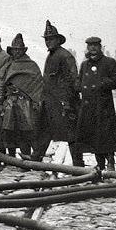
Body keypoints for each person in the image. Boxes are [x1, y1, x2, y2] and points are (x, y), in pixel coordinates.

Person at [32, 21, 79, 161]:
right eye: (46, 39)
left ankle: (78, 162)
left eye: (51, 39)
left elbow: (73, 80)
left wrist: (68, 102)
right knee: (44, 131)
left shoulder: (65, 56)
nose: (48, 42)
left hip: (63, 103)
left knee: (71, 133)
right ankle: (36, 158)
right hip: (49, 102)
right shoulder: (51, 55)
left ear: (58, 40)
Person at [77, 37, 116, 173]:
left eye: (95, 46)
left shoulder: (109, 62)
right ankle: (100, 164)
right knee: (93, 135)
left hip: (103, 105)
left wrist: (103, 83)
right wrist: (78, 87)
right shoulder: (84, 65)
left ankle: (110, 161)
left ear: (100, 47)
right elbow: (80, 81)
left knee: (106, 134)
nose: (92, 48)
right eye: (90, 46)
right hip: (88, 106)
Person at [0, 33, 42, 159]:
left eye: (19, 50)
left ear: (23, 50)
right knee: (8, 130)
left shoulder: (31, 65)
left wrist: (35, 102)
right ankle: (11, 158)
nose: (16, 52)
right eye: (14, 50)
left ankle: (27, 156)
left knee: (26, 131)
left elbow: (37, 84)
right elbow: (1, 84)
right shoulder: (8, 65)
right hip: (10, 102)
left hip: (25, 103)